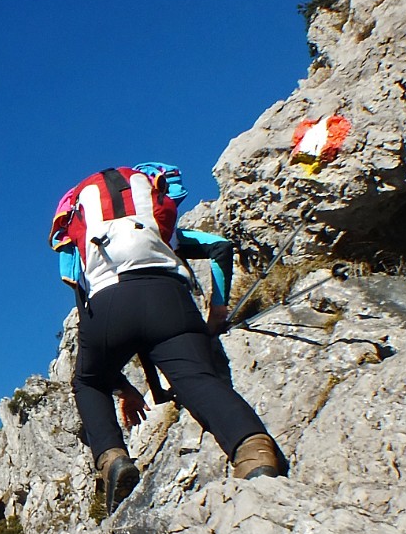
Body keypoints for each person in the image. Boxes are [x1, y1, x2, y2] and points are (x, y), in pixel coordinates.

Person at [49, 163, 284, 511]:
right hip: (167, 297)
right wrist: (217, 310)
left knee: (88, 381)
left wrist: (123, 388)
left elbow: (85, 310)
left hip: (107, 304)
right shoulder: (157, 228)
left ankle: (113, 458)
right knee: (196, 378)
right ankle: (252, 449)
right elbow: (220, 247)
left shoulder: (81, 243)